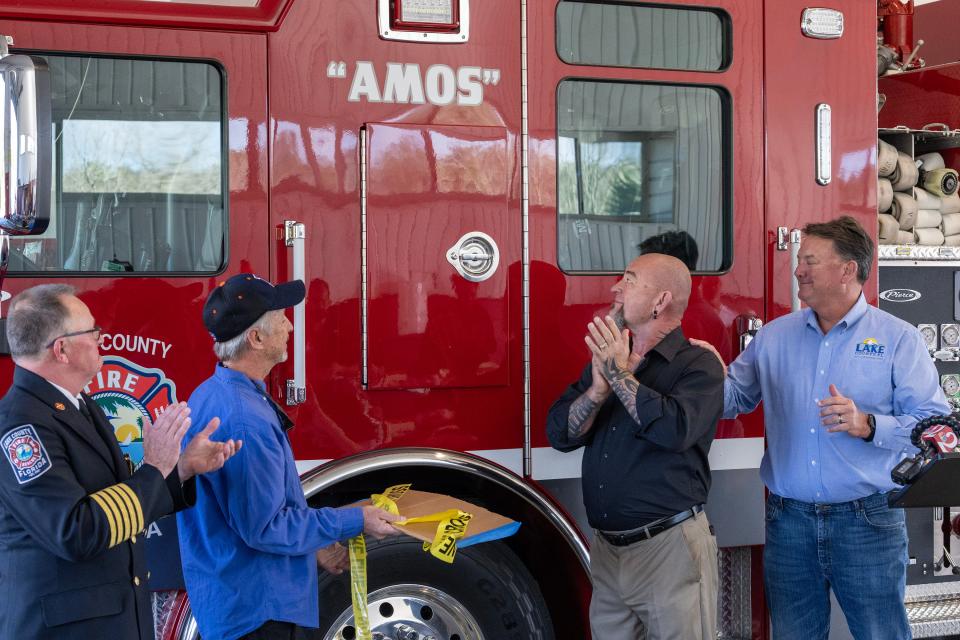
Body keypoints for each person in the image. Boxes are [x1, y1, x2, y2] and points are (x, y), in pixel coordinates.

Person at [705, 216, 949, 639]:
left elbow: (936, 428)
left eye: (809, 261)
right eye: (799, 260)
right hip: (789, 522)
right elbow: (733, 400)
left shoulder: (899, 339)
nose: (798, 270)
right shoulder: (774, 337)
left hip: (867, 523)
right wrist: (698, 373)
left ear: (847, 270)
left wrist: (869, 424)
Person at [0, 283, 239, 640]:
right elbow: (76, 531)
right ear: (61, 349)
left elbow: (114, 494)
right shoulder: (21, 427)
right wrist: (156, 467)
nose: (101, 337)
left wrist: (181, 468)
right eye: (91, 330)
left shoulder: (79, 405)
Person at [177, 273, 401, 640]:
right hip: (260, 614)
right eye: (281, 317)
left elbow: (256, 513)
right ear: (256, 337)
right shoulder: (244, 419)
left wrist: (313, 548)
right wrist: (356, 520)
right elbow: (266, 528)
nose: (290, 326)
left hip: (239, 601)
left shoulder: (214, 393)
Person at [546, 253, 724, 640]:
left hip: (669, 551)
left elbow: (674, 430)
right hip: (609, 554)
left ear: (660, 301)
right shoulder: (608, 362)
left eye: (629, 280)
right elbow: (559, 434)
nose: (615, 287)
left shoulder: (698, 365)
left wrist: (617, 373)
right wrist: (597, 390)